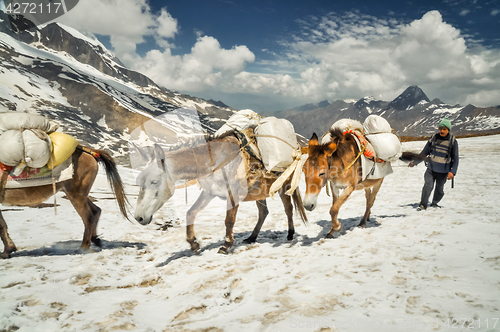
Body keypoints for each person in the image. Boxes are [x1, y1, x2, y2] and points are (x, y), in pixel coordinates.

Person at [409, 117, 459, 211]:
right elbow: (424, 153)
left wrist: (452, 172)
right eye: (440, 129)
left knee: (439, 190)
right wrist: (415, 162)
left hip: (443, 171)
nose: (442, 131)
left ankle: (435, 202)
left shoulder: (453, 142)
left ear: (448, 130)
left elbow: (455, 158)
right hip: (431, 169)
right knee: (428, 185)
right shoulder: (433, 139)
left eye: (444, 129)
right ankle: (423, 205)